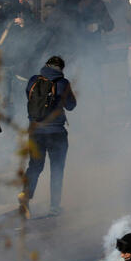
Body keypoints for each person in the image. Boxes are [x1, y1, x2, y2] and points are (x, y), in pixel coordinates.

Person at [18, 56, 76, 219]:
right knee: (57, 169)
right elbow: (71, 106)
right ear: (61, 69)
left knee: (35, 166)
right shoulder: (63, 83)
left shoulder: (33, 81)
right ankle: (54, 207)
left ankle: (25, 196)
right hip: (56, 133)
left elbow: (29, 100)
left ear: (46, 66)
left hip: (35, 132)